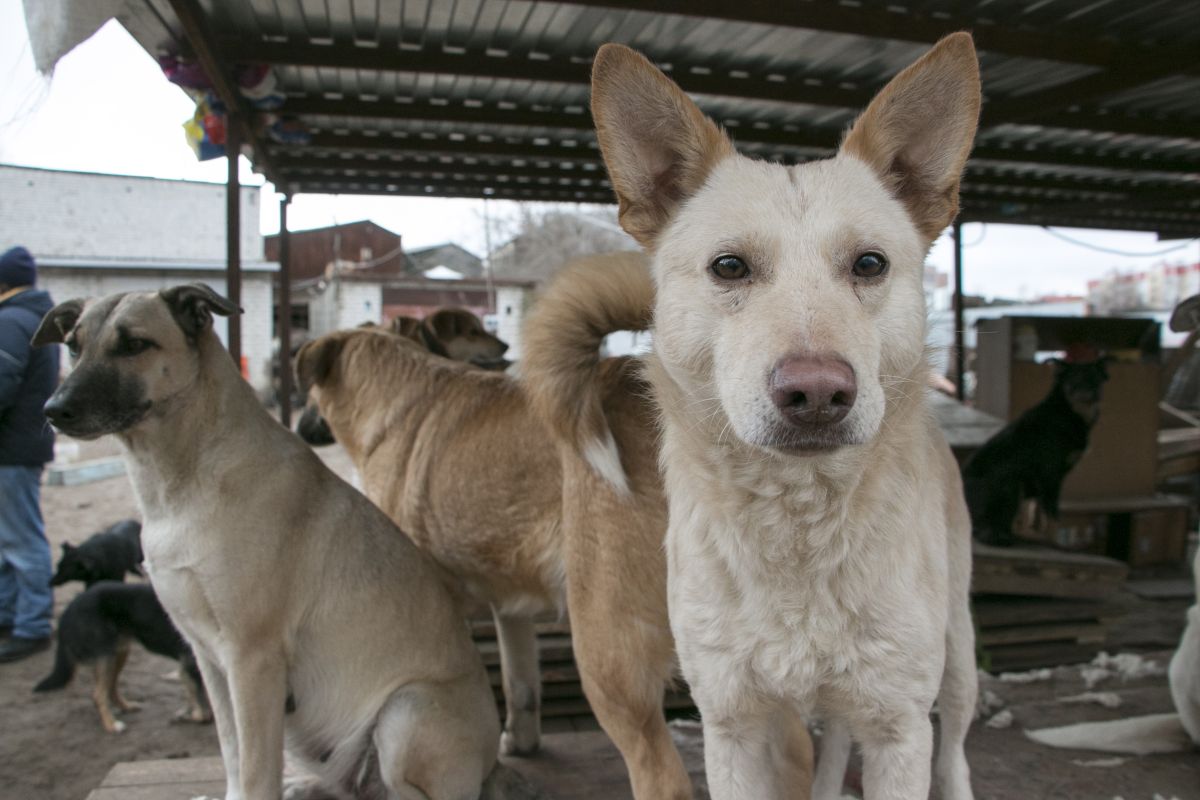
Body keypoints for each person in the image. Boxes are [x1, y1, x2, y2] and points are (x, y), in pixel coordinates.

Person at [0, 246, 59, 662]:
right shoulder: (32, 317)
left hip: (11, 450)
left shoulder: (11, 320)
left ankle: (33, 624)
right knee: (9, 539)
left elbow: (1, 381)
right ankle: (11, 614)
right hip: (20, 446)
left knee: (21, 539)